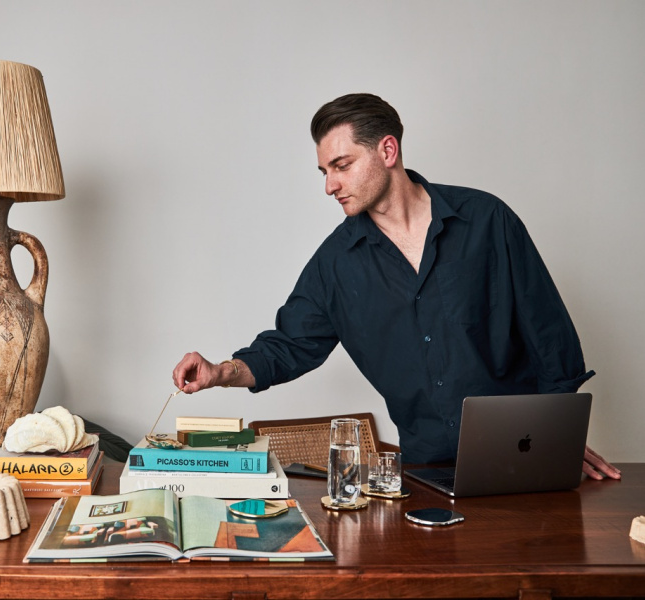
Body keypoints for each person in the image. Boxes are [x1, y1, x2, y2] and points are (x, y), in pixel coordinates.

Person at [172, 93, 620, 480]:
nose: (329, 186)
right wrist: (219, 373)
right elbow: (288, 347)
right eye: (324, 171)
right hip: (425, 473)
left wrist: (555, 439)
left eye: (342, 165)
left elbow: (551, 339)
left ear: (387, 150)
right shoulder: (335, 263)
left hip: (523, 457)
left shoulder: (487, 221)